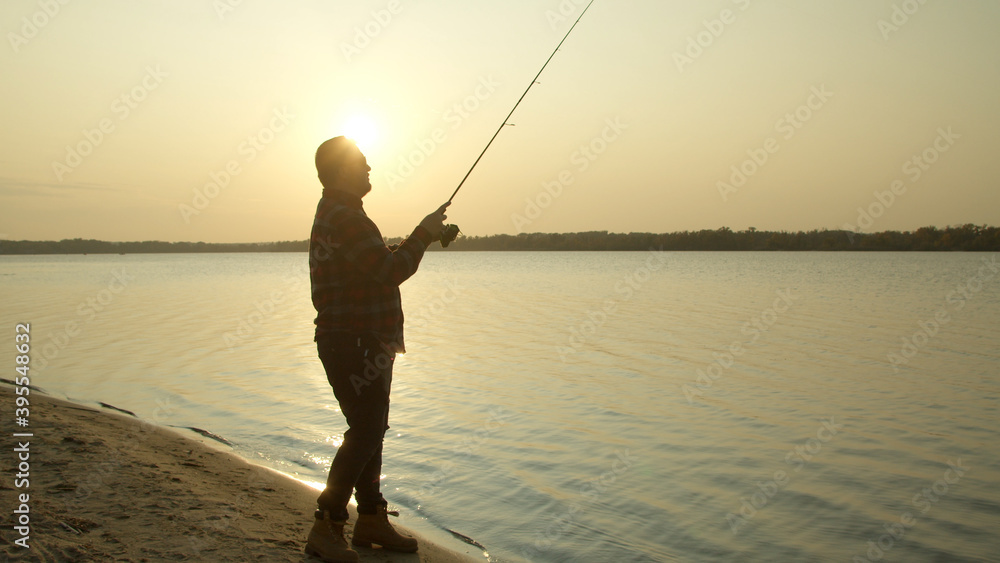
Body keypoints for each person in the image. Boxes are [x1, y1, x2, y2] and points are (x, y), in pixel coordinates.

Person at [305, 136, 449, 562]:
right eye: (363, 163)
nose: (370, 168)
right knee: (366, 431)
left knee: (370, 430)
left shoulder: (341, 214)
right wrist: (423, 233)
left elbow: (372, 264)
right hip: (355, 342)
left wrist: (425, 238)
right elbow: (390, 270)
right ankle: (326, 524)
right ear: (343, 170)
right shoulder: (346, 217)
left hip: (359, 341)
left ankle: (370, 518)